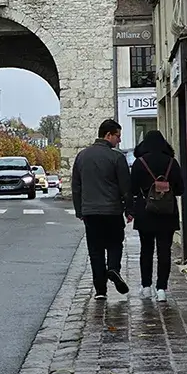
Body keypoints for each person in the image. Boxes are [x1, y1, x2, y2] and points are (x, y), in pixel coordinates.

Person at [72, 118, 132, 301]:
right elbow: (126, 187)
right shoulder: (116, 157)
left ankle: (100, 290)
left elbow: (76, 186)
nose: (119, 140)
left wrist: (79, 210)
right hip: (112, 211)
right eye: (117, 136)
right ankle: (113, 268)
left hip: (90, 212)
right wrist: (129, 209)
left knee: (95, 250)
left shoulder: (82, 156)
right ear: (108, 135)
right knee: (115, 243)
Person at [130, 130, 184, 303]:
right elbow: (181, 189)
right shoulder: (171, 163)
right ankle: (162, 288)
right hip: (167, 213)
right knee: (164, 251)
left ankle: (146, 286)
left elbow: (132, 189)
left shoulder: (140, 163)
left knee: (146, 250)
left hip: (146, 212)